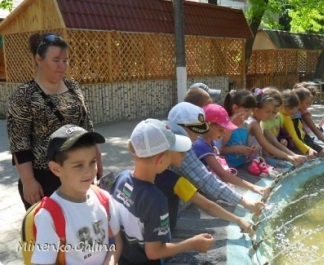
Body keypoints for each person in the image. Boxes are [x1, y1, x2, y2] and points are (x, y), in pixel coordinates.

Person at [7, 33, 101, 210]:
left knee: (79, 228)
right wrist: (28, 181)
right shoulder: (24, 96)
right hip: (44, 178)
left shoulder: (73, 87)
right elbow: (20, 145)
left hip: (79, 172)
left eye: (65, 60)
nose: (62, 66)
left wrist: (97, 164)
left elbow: (87, 127)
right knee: (49, 232)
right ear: (39, 59)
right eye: (56, 60)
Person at [111, 119, 214, 265]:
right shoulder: (155, 200)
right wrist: (191, 243)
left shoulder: (121, 178)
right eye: (171, 153)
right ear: (160, 160)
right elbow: (154, 252)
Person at [31, 124, 122, 264]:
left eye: (93, 162)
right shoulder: (48, 216)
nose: (89, 172)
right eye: (78, 165)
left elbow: (115, 242)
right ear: (55, 169)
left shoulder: (104, 199)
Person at [167, 101, 264, 214]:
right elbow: (206, 180)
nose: (198, 135)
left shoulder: (182, 142)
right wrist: (245, 202)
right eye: (196, 130)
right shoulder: (182, 150)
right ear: (182, 128)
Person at [155, 151, 252, 234]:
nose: (185, 155)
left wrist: (238, 220)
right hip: (162, 240)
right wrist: (238, 220)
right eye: (182, 152)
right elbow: (207, 206)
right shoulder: (176, 181)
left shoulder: (142, 178)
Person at [193, 103, 269, 195]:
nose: (224, 132)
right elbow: (223, 175)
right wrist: (253, 187)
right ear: (207, 125)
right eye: (221, 129)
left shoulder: (210, 142)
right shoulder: (201, 145)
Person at [260, 87, 306, 168]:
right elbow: (273, 142)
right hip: (267, 153)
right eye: (271, 112)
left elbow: (281, 133)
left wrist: (283, 139)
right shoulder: (264, 123)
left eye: (276, 112)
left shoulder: (279, 117)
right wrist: (292, 155)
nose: (273, 116)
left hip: (276, 151)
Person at [292, 85, 324, 152]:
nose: (309, 105)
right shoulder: (302, 113)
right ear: (298, 102)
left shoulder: (301, 112)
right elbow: (314, 129)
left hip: (302, 136)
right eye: (307, 103)